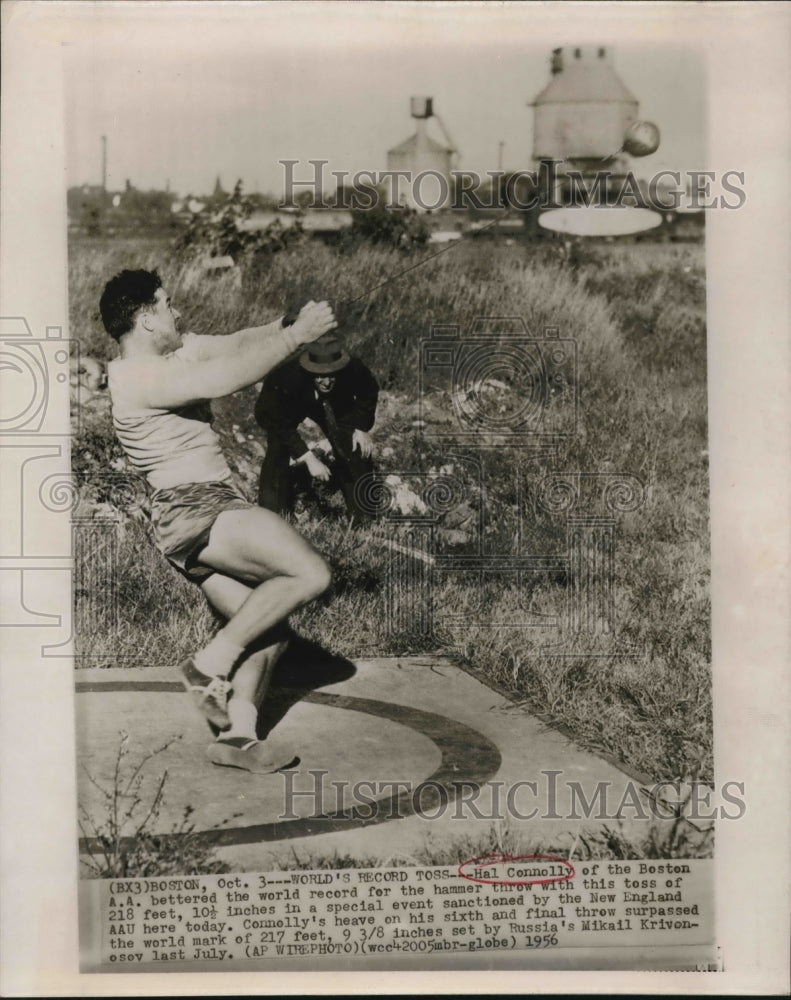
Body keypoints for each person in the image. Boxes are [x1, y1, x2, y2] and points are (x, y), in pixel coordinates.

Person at [100, 268, 337, 773]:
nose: (177, 311)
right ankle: (206, 665)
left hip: (194, 513)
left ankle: (238, 737)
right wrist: (298, 337)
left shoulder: (172, 352)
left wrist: (284, 324)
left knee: (266, 628)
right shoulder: (139, 376)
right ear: (146, 318)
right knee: (310, 573)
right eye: (168, 304)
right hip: (193, 506)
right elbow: (224, 378)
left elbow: (234, 344)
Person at [254, 335, 380, 522]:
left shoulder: (352, 367)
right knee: (279, 447)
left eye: (331, 375)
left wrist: (361, 427)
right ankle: (273, 516)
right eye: (320, 375)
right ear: (309, 370)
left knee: (351, 443)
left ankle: (363, 517)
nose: (327, 382)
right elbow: (277, 422)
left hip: (334, 400)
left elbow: (368, 391)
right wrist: (308, 458)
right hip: (288, 406)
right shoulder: (286, 377)